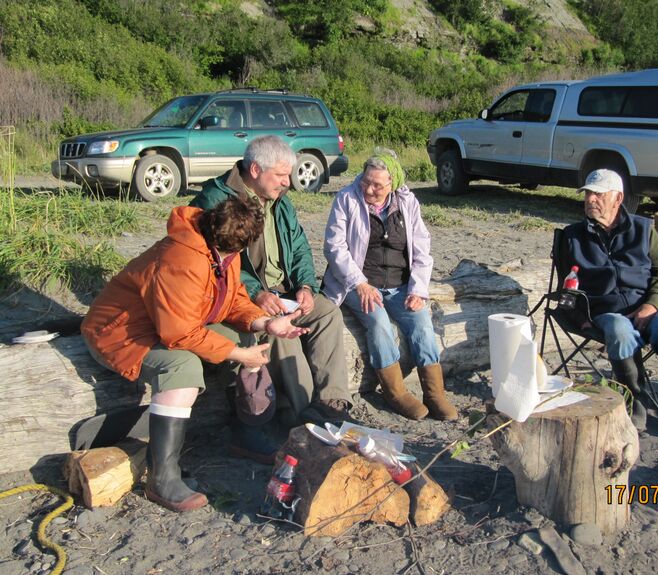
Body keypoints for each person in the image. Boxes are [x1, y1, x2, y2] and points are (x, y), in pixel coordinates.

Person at [81, 197, 308, 512]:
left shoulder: (220, 250)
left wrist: (266, 322)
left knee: (244, 337)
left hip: (165, 324)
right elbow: (180, 333)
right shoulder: (182, 257)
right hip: (119, 333)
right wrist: (240, 357)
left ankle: (246, 430)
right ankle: (161, 477)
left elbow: (233, 299)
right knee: (182, 367)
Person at [190, 135, 352, 426]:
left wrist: (305, 286)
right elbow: (213, 262)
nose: (288, 182)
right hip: (242, 298)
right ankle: (304, 415)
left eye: (288, 174)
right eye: (280, 175)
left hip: (284, 292)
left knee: (327, 312)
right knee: (282, 334)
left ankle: (332, 403)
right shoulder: (216, 201)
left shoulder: (281, 203)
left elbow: (300, 247)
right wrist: (255, 293)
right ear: (255, 171)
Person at [563, 168, 658, 438]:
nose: (591, 199)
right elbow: (567, 285)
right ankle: (637, 401)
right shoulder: (573, 236)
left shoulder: (643, 229)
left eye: (598, 194)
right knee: (619, 330)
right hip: (606, 309)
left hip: (649, 303)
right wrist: (582, 318)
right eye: (588, 193)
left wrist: (652, 305)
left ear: (617, 198)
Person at [322, 152, 458, 421]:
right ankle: (394, 392)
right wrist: (359, 283)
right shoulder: (346, 199)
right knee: (380, 323)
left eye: (377, 185)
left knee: (421, 321)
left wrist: (418, 290)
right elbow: (334, 247)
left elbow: (422, 249)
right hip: (357, 282)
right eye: (365, 181)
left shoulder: (407, 202)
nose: (369, 189)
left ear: (392, 184)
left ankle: (435, 393)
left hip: (400, 285)